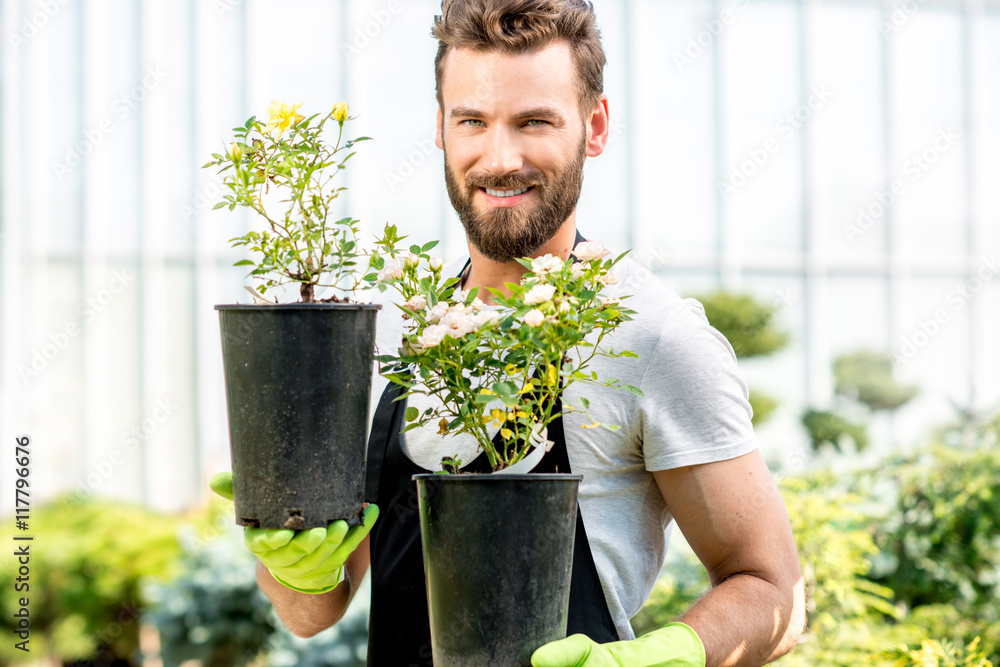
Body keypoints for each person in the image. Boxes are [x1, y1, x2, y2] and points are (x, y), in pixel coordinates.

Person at [211, 1, 806, 665]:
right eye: (473, 120)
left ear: (595, 125)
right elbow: (312, 612)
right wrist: (300, 567)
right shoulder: (403, 323)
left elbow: (774, 588)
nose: (500, 157)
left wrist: (666, 655)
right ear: (441, 126)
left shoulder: (650, 334)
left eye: (534, 122)